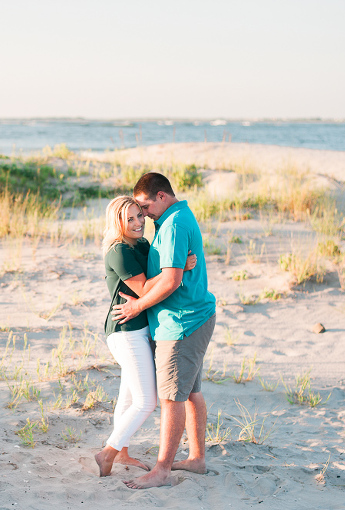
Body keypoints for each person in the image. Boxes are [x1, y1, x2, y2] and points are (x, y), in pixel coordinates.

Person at [112, 172, 216, 489]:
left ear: (161, 196)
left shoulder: (172, 225)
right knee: (190, 393)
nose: (143, 215)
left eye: (144, 207)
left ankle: (161, 471)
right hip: (193, 317)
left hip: (181, 324)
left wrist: (137, 307)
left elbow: (171, 281)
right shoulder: (176, 217)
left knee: (171, 398)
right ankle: (196, 459)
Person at [95, 196, 196, 477]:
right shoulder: (118, 251)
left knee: (128, 396)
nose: (139, 222)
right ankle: (108, 452)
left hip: (140, 329)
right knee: (146, 401)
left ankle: (122, 453)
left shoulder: (140, 244)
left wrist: (172, 269)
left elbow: (155, 276)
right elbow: (143, 289)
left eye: (139, 215)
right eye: (130, 219)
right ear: (118, 222)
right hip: (126, 331)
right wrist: (178, 268)